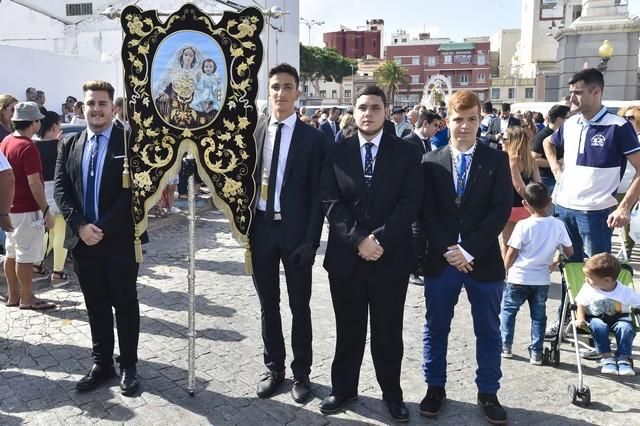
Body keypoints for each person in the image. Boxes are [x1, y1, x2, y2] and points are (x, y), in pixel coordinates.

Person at [319, 85, 422, 422]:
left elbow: (410, 203)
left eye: (375, 107)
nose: (368, 113)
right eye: (362, 107)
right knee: (348, 329)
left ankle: (392, 394)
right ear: (354, 110)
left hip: (389, 258)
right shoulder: (338, 152)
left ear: (385, 110)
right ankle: (343, 388)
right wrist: (358, 240)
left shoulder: (406, 152)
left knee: (388, 331)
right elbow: (331, 203)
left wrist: (378, 241)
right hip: (346, 258)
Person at [421, 90, 512, 424]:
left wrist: (469, 249)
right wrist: (450, 249)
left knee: (488, 329)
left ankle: (488, 391)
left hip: (483, 260)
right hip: (442, 260)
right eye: (458, 119)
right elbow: (426, 211)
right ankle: (435, 387)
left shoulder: (496, 159)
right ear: (448, 120)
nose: (464, 126)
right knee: (436, 327)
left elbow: (499, 209)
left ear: (479, 119)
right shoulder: (430, 161)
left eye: (471, 119)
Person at [54, 80, 142, 396]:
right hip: (83, 243)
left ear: (113, 108)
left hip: (119, 242)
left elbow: (133, 194)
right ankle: (102, 363)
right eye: (90, 103)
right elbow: (62, 190)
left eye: (102, 104)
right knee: (96, 305)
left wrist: (100, 227)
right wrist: (79, 227)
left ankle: (128, 365)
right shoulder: (70, 143)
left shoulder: (130, 141)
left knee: (125, 304)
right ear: (83, 107)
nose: (96, 109)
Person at [543, 69, 640, 336]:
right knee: (569, 270)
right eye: (571, 92)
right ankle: (568, 319)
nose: (572, 97)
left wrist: (624, 206)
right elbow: (549, 143)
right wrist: (555, 169)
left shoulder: (618, 126)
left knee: (599, 275)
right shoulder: (571, 124)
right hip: (565, 208)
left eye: (578, 92)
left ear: (596, 92)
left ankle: (600, 328)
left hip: (596, 213)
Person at [250, 63, 325, 403]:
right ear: (270, 90)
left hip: (296, 234)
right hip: (262, 228)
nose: (281, 93)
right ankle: (274, 368)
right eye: (275, 86)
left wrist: (311, 240)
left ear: (298, 92)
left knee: (300, 306)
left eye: (287, 87)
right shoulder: (255, 131)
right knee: (269, 304)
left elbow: (317, 196)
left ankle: (302, 374)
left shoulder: (313, 138)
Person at [501, 183, 573, 364]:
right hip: (541, 278)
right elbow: (569, 251)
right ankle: (536, 353)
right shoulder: (558, 225)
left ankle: (506, 346)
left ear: (525, 204)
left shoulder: (523, 225)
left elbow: (512, 252)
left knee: (509, 312)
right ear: (549, 201)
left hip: (519, 276)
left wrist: (505, 271)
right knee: (539, 317)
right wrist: (556, 260)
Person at [0, 101, 55, 310]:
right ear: (34, 122)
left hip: (9, 209)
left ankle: (13, 296)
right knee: (25, 254)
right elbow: (34, 182)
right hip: (27, 211)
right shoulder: (28, 146)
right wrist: (46, 211)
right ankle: (28, 298)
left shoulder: (5, 141)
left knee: (12, 252)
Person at [573, 253, 640, 376]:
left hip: (620, 319)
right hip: (595, 318)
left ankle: (623, 358)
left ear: (607, 280)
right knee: (599, 326)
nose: (585, 279)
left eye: (589, 277)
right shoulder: (588, 288)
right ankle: (607, 357)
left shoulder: (624, 291)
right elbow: (580, 303)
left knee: (626, 328)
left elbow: (638, 303)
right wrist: (580, 318)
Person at [34, 109, 69, 286]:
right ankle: (57, 272)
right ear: (54, 126)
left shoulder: (32, 144)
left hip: (39, 194)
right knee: (60, 233)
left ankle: (37, 265)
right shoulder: (58, 145)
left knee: (45, 231)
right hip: (56, 192)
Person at [501, 126, 541, 258]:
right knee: (525, 242)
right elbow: (538, 184)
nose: (502, 141)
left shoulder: (512, 160)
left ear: (513, 141)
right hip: (526, 208)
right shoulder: (531, 159)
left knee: (508, 242)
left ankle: (506, 271)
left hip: (511, 207)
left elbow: (519, 187)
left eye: (505, 138)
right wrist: (535, 205)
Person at [154, 45, 202, 128]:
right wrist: (162, 93)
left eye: (191, 56)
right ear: (181, 56)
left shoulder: (197, 72)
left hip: (192, 104)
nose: (188, 57)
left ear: (194, 58)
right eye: (186, 55)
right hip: (174, 103)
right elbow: (162, 83)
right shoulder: (173, 71)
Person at [616, 105, 640, 258]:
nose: (627, 120)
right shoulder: (622, 135)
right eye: (625, 117)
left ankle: (626, 252)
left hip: (633, 186)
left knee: (629, 223)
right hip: (615, 185)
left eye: (630, 117)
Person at [531, 104, 570, 196]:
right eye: (568, 117)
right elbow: (533, 159)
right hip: (546, 179)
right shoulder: (542, 135)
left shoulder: (562, 133)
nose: (570, 120)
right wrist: (557, 162)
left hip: (558, 176)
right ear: (559, 119)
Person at [190, 58, 222, 123]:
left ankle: (211, 107)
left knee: (219, 96)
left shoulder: (214, 77)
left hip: (212, 93)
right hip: (203, 93)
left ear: (214, 68)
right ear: (203, 68)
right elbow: (199, 87)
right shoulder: (202, 77)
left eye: (210, 67)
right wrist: (198, 80)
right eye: (206, 67)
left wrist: (217, 85)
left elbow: (215, 87)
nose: (208, 68)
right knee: (199, 97)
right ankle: (204, 107)